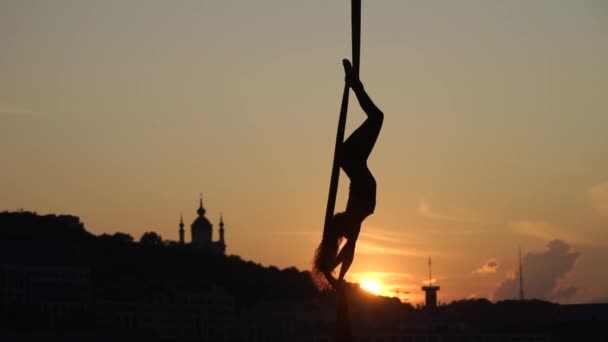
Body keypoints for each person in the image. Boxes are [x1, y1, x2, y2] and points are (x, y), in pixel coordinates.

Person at [314, 59, 384, 289]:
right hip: (353, 160)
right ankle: (354, 84)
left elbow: (348, 254)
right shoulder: (354, 225)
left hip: (353, 160)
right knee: (376, 118)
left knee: (377, 118)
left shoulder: (354, 221)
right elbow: (348, 254)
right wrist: (337, 277)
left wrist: (336, 277)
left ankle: (354, 84)